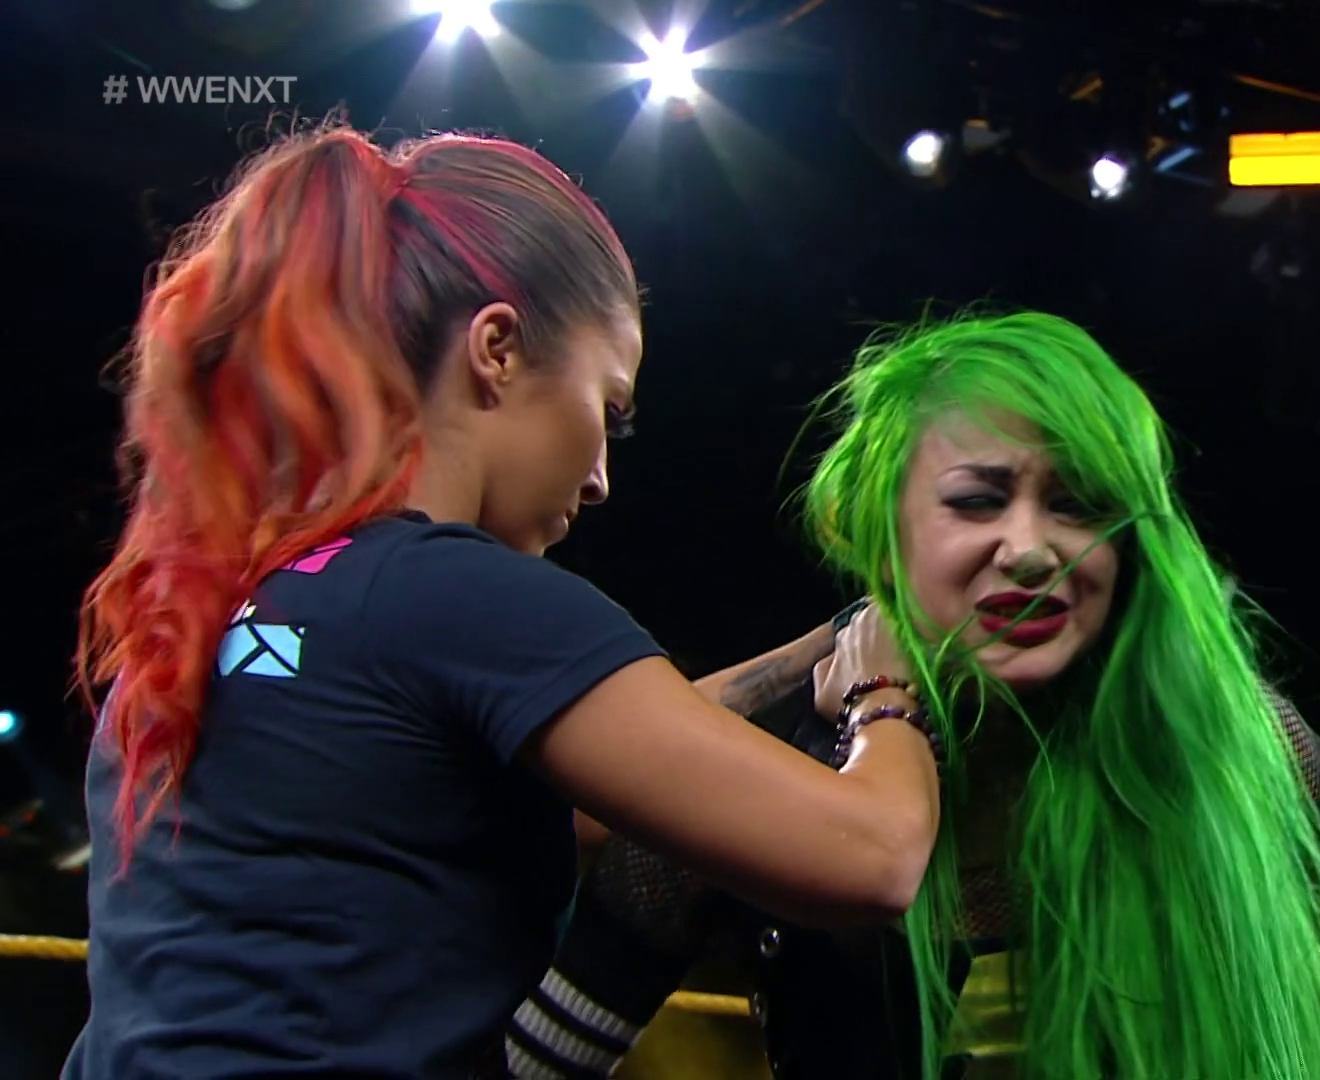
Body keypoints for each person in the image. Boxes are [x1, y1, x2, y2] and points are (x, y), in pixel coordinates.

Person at [63, 121, 944, 1080]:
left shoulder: (213, 623)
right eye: (609, 410)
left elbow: (621, 759)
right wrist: (885, 690)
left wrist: (827, 645)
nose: (601, 477)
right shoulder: (464, 595)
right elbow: (875, 857)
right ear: (497, 349)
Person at [506, 312, 1320, 1080]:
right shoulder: (770, 753)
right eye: (977, 501)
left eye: (1077, 504)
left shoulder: (1218, 730)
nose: (1029, 550)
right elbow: (544, 1048)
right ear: (883, 534)